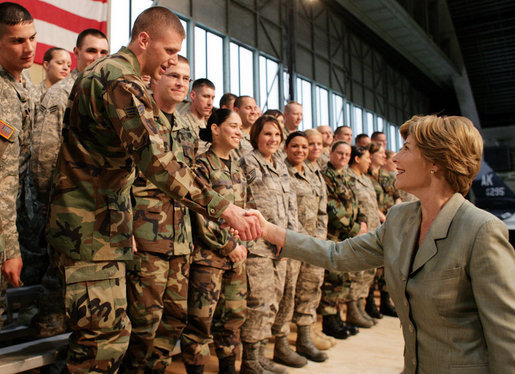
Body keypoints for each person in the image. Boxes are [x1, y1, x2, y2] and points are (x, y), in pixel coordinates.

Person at [45, 7, 260, 373]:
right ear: (143, 40)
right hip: (87, 227)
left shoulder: (115, 77)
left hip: (102, 226)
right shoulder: (119, 80)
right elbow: (156, 161)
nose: (172, 61)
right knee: (100, 345)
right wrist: (225, 209)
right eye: (170, 51)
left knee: (110, 338)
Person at [252, 115, 515, 374]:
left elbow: (507, 337)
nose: (396, 158)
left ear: (435, 161)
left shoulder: (481, 231)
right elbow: (338, 254)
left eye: (406, 149)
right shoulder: (401, 219)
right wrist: (269, 230)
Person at [30, 28, 109, 337]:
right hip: (65, 203)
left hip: (95, 205)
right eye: (91, 51)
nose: (97, 58)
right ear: (77, 53)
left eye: (104, 53)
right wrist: (52, 200)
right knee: (58, 276)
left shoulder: (104, 95)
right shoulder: (61, 93)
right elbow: (44, 157)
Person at [122, 56, 199, 373]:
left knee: (175, 319)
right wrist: (125, 228)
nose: (181, 82)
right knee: (143, 323)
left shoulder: (187, 128)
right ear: (155, 77)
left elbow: (191, 184)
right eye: (173, 74)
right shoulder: (138, 119)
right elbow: (121, 179)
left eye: (186, 78)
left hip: (181, 241)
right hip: (147, 237)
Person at [181, 109, 249, 374]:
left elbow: (247, 211)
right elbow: (199, 212)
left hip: (238, 256)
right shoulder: (201, 166)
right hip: (208, 259)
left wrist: (244, 245)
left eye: (241, 127)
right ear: (215, 129)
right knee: (200, 322)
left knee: (233, 317)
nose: (238, 131)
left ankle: (228, 367)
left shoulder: (239, 169)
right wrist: (228, 246)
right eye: (233, 125)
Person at [239, 115, 298, 374]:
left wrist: (290, 240)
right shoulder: (247, 162)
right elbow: (243, 204)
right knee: (259, 303)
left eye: (276, 135)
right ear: (256, 136)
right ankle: (250, 362)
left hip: (281, 247)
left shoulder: (281, 164)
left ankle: (261, 356)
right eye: (267, 134)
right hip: (259, 247)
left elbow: (291, 205)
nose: (272, 139)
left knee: (274, 301)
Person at [272, 130, 329, 363]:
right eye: (295, 146)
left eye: (304, 147)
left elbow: (322, 211)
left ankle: (305, 339)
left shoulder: (314, 173)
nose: (300, 151)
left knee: (311, 289)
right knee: (288, 294)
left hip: (313, 244)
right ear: (286, 148)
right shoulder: (280, 171)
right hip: (292, 244)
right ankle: (281, 344)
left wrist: (321, 240)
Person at [0, 1, 35, 330]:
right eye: (17, 41)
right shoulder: (2, 94)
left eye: (32, 38)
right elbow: (5, 179)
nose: (29, 48)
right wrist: (10, 249)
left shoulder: (24, 89)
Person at [320, 141, 364, 336]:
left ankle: (338, 316)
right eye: (339, 153)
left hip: (348, 238)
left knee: (344, 279)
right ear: (331, 153)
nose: (343, 157)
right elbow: (332, 209)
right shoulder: (325, 176)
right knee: (333, 279)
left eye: (347, 154)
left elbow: (356, 203)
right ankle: (329, 321)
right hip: (334, 236)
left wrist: (362, 222)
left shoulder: (347, 177)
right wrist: (354, 228)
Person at [344, 145, 380, 328]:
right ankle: (352, 309)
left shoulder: (365, 179)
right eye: (367, 158)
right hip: (360, 233)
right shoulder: (349, 178)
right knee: (356, 272)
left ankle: (360, 305)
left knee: (368, 272)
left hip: (373, 231)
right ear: (357, 159)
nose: (370, 161)